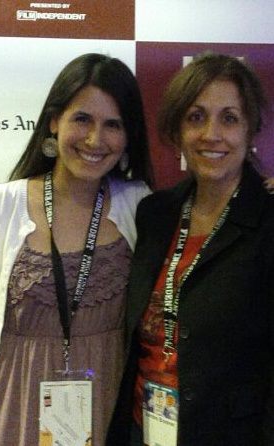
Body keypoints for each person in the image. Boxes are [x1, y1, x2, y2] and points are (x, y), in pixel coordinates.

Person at [0, 53, 153, 446]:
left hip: (110, 413)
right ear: (54, 121)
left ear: (128, 136)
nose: (96, 140)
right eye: (82, 119)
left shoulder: (141, 206)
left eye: (113, 124)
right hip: (12, 411)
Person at [108, 52, 274, 445]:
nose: (210, 134)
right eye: (196, 117)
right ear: (178, 129)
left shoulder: (268, 221)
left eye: (229, 118)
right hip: (142, 426)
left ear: (250, 130)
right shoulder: (156, 213)